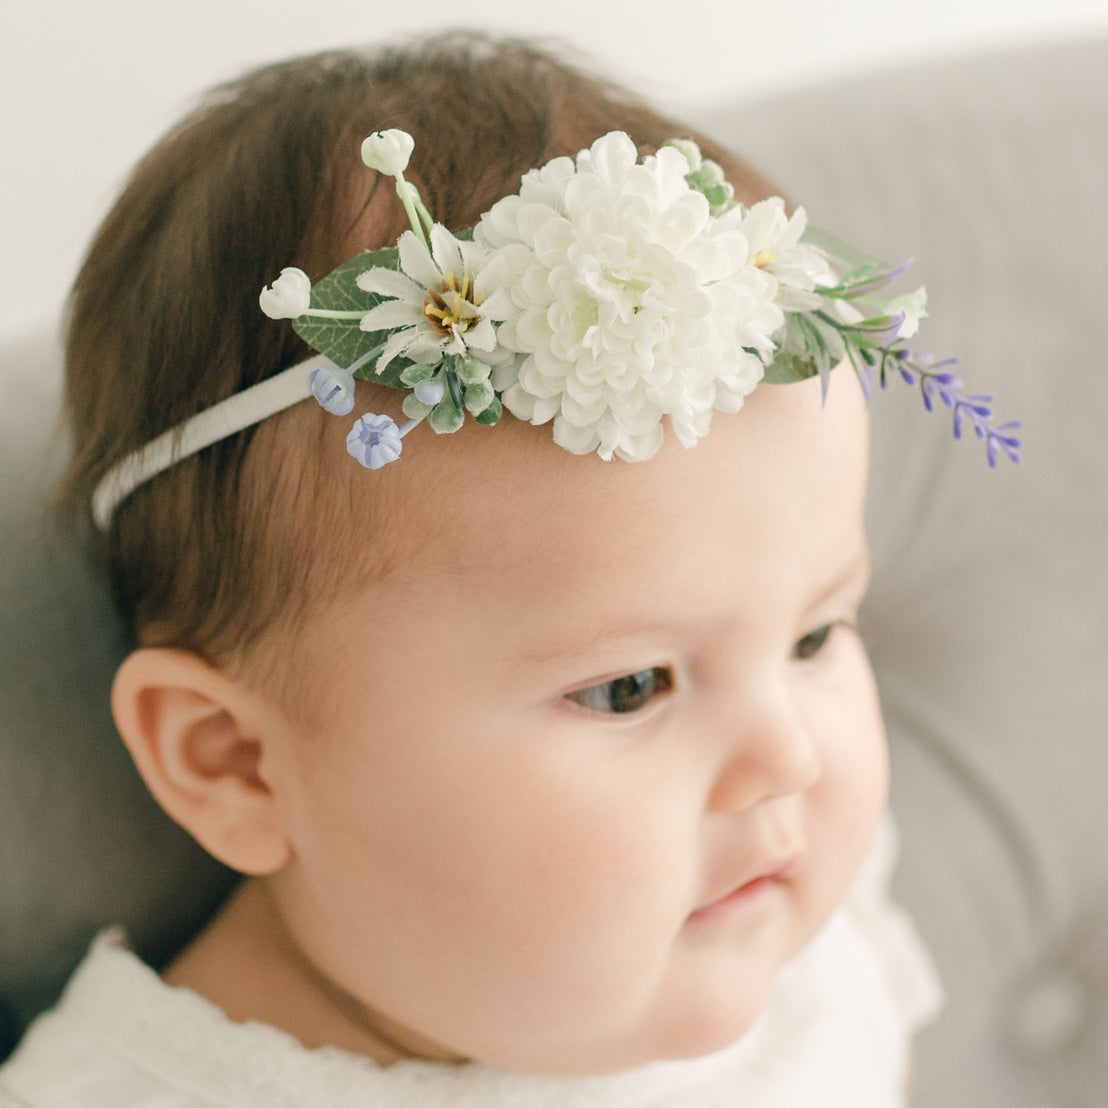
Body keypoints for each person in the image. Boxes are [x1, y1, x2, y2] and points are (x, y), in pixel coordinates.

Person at [1, 31, 1007, 1106]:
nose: (788, 756)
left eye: (814, 635)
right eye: (630, 685)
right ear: (237, 761)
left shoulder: (787, 934)